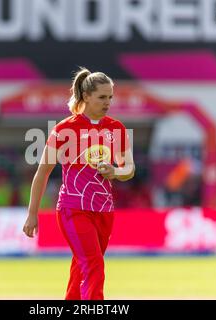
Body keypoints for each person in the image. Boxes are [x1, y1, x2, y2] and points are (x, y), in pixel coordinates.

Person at [23, 67, 135, 300]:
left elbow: (129, 169)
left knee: (82, 267)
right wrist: (32, 214)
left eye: (110, 97)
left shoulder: (116, 128)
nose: (108, 102)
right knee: (94, 265)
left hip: (104, 210)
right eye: (102, 97)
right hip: (73, 208)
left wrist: (115, 171)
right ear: (86, 96)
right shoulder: (64, 129)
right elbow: (42, 172)